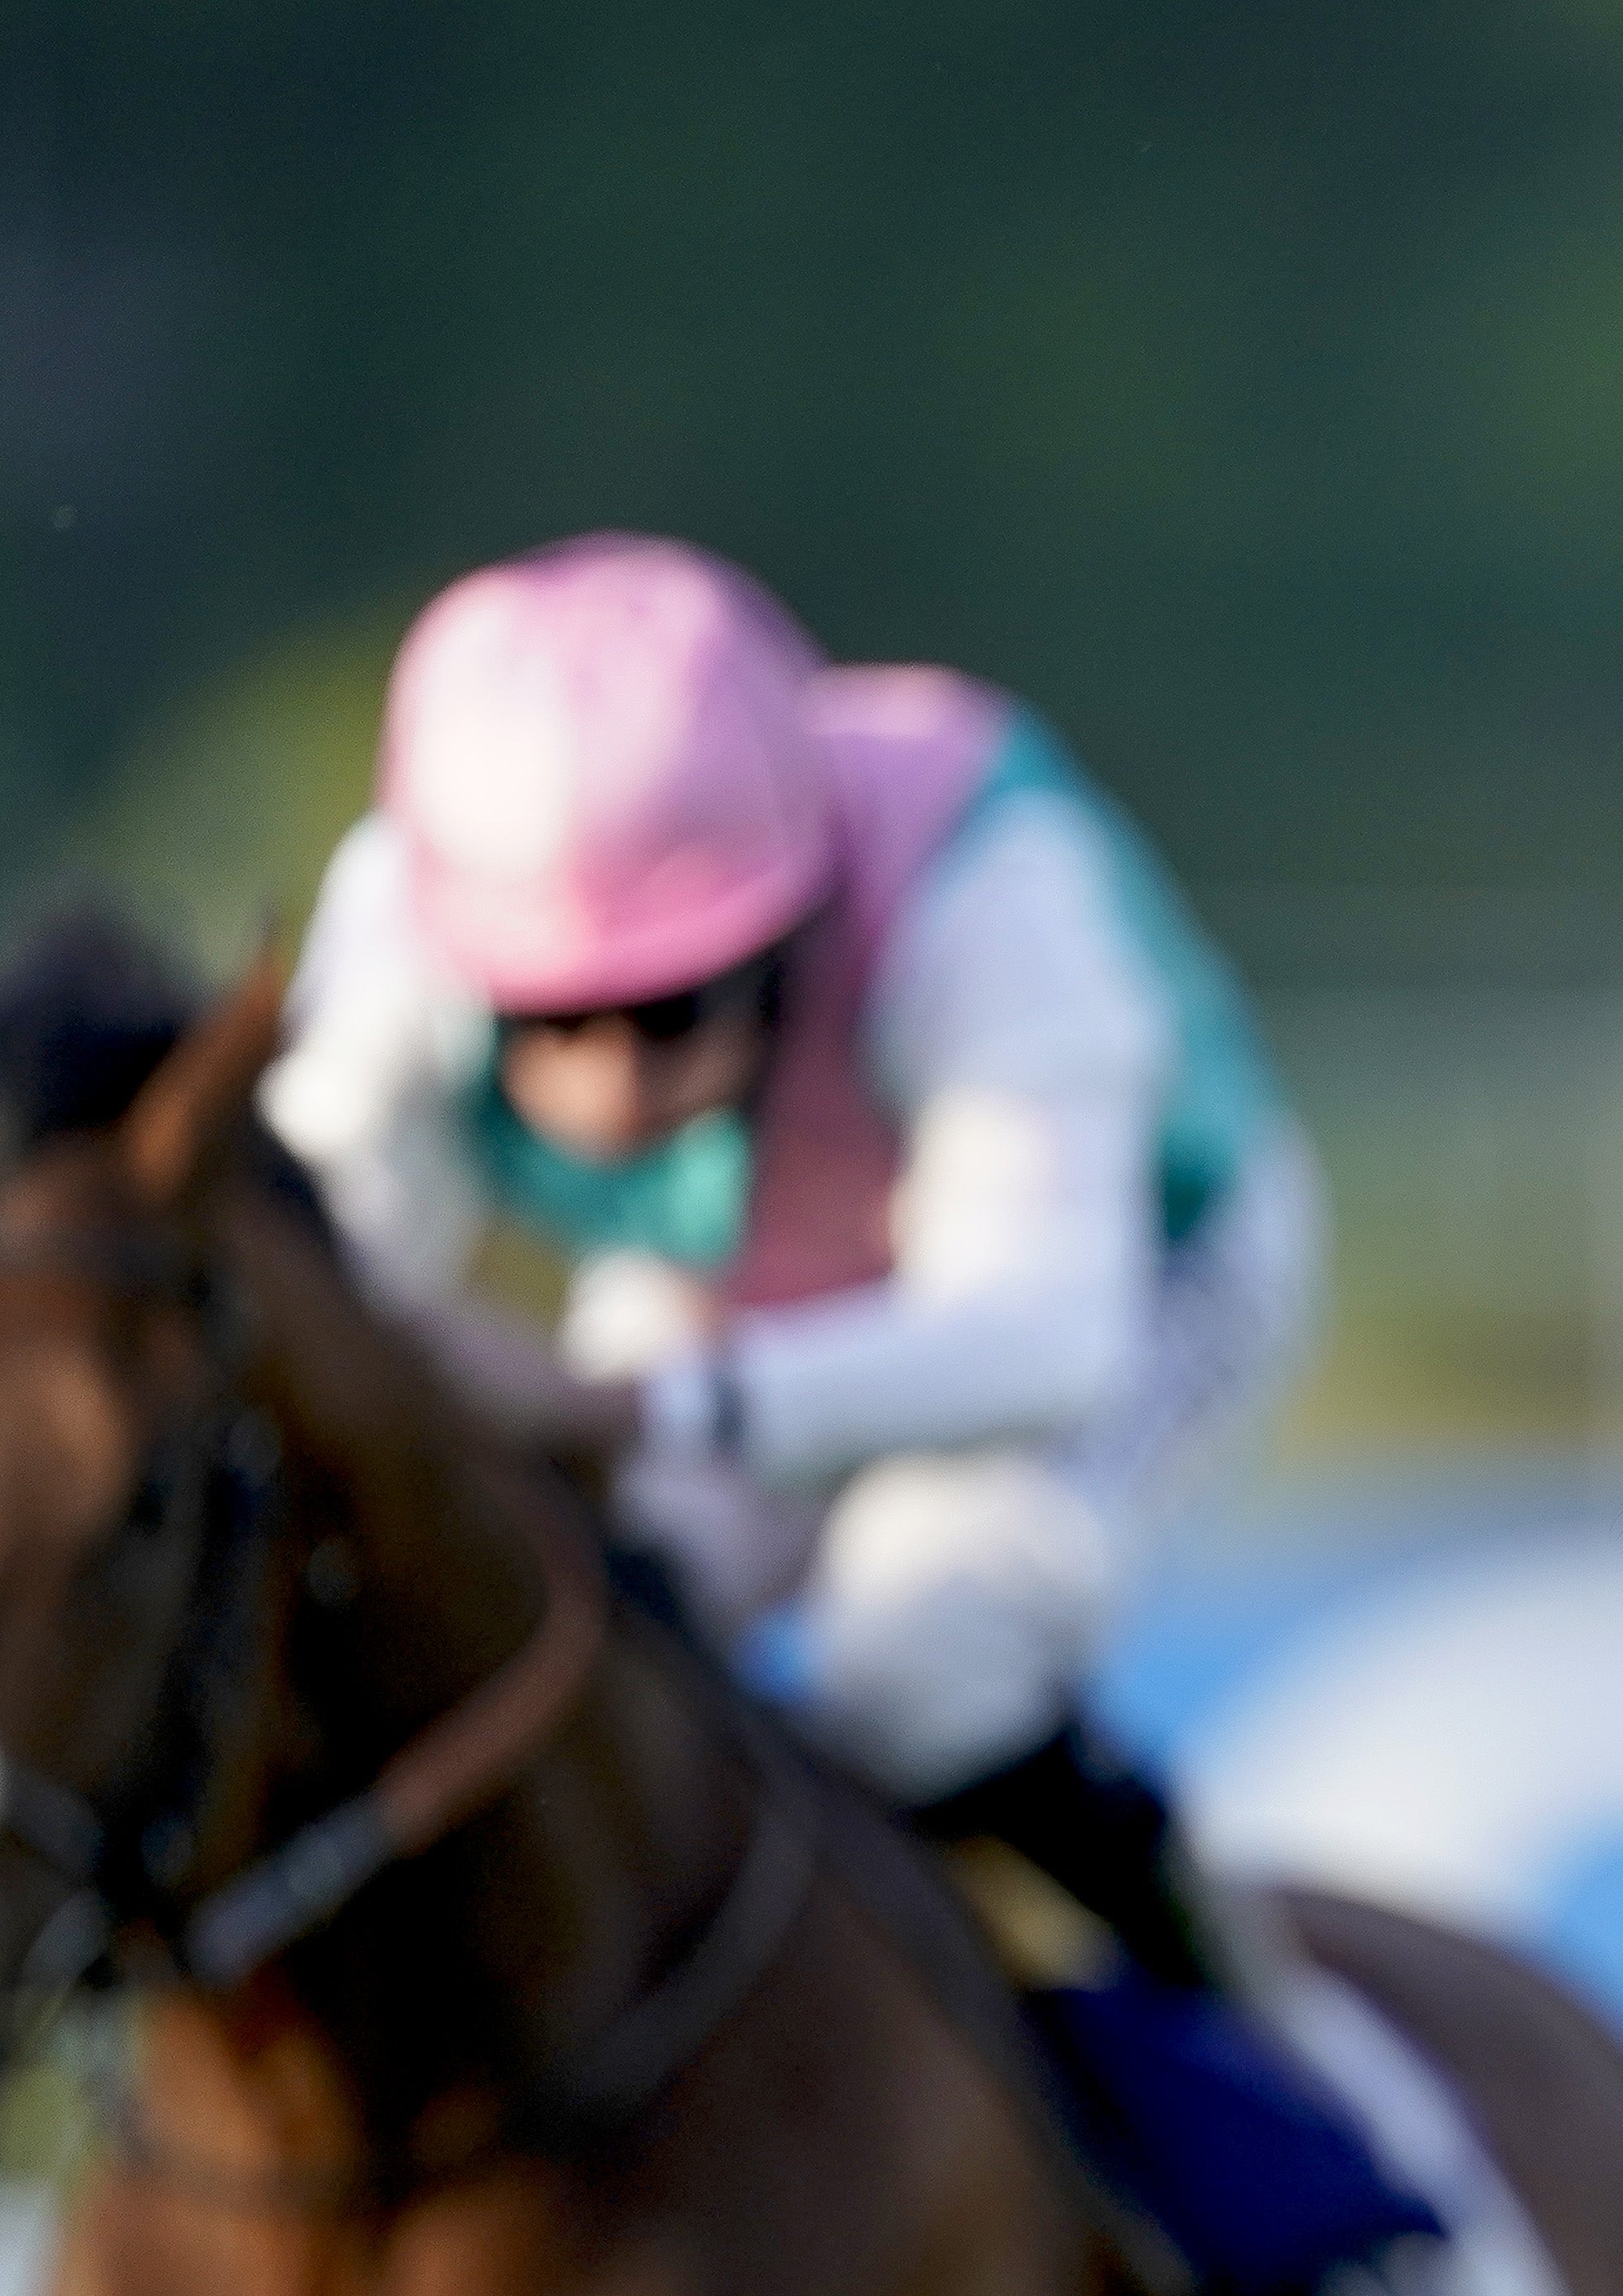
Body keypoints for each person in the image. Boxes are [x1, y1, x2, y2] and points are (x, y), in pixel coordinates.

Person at [262, 532, 1320, 1986]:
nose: (614, 1092)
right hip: (740, 1282)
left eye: (672, 1002)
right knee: (581, 1625)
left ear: (792, 908)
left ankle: (1256, 2042)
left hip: (1136, 1277)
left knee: (917, 1653)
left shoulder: (987, 884)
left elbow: (1039, 1337)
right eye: (550, 1020)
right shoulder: (407, 898)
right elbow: (300, 1285)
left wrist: (625, 1406)